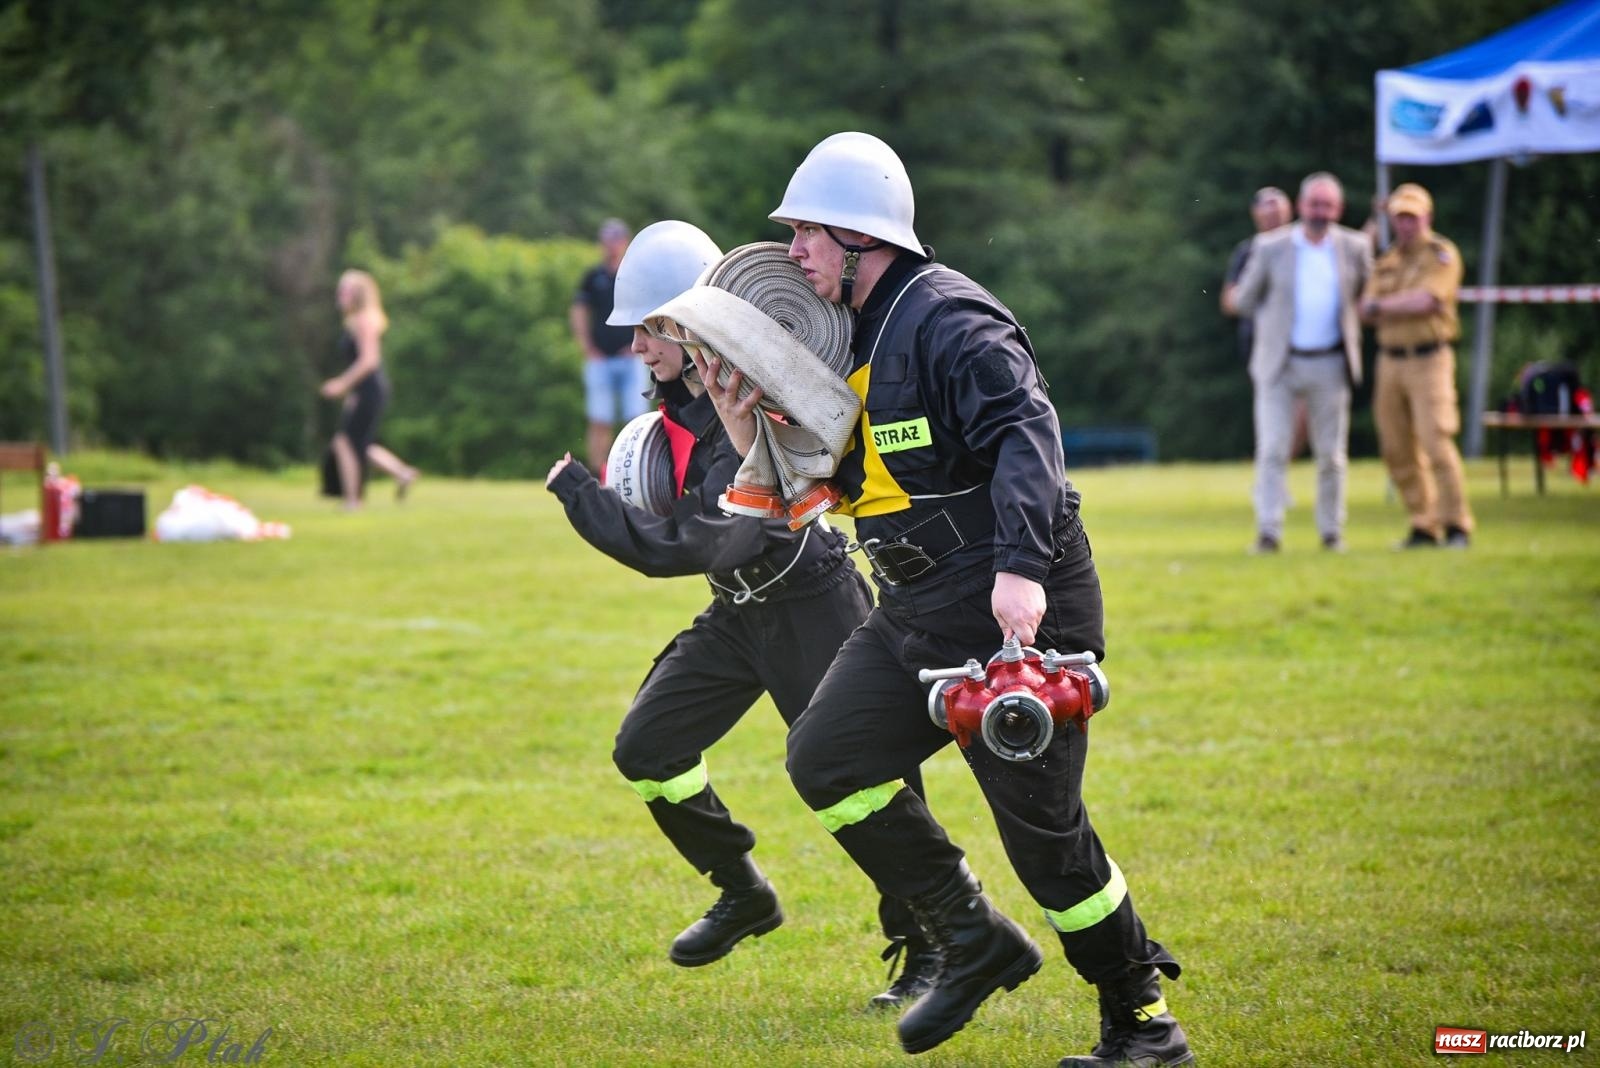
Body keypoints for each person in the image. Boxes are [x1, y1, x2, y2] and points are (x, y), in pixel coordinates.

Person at [695, 132, 1193, 1066]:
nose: (793, 251)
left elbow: (1027, 436)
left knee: (1045, 840)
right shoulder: (855, 336)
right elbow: (853, 480)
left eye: (808, 232)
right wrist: (754, 427)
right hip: (917, 606)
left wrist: (1021, 570)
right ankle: (971, 936)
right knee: (825, 759)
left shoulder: (951, 319)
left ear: (860, 239)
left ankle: (1142, 1022)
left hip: (1012, 595)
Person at [545, 220, 936, 1008]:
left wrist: (582, 498)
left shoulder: (749, 404)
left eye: (651, 330)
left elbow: (695, 546)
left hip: (813, 607)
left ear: (696, 328)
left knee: (866, 786)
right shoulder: (675, 413)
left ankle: (932, 942)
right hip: (739, 615)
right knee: (647, 749)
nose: (638, 350)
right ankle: (743, 891)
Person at [1225, 172, 1373, 554]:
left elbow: (1369, 294)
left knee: (1331, 455)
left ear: (1337, 209)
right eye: (1314, 204)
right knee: (1272, 449)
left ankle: (1331, 533)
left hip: (1331, 362)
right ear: (1301, 205)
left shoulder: (1354, 247)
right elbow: (1243, 301)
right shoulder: (1271, 246)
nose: (1320, 212)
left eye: (1327, 205)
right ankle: (1269, 532)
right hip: (1279, 363)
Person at [1360, 182, 1473, 549]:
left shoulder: (1441, 254)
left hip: (1429, 359)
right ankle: (1423, 523)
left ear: (1427, 216)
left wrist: (1384, 307)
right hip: (1390, 361)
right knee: (1396, 447)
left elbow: (1428, 300)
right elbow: (1365, 308)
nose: (1405, 225)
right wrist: (1390, 306)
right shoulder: (1388, 259)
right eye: (1399, 218)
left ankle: (1456, 524)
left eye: (1411, 217)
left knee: (1436, 441)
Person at [319, 269, 419, 508]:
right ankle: (401, 474)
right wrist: (352, 393)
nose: (340, 294)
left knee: (345, 443)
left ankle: (353, 501)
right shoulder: (357, 320)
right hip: (363, 391)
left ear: (359, 294)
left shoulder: (364, 319)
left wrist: (342, 384)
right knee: (358, 444)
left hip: (370, 389)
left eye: (346, 290)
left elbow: (369, 360)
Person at [571, 218, 651, 472]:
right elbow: (579, 310)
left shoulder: (636, 276)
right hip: (601, 359)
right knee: (599, 419)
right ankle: (598, 474)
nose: (612, 246)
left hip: (632, 357)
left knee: (635, 420)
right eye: (608, 240)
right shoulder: (593, 277)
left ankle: (635, 471)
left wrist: (642, 344)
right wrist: (586, 346)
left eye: (616, 240)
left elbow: (649, 311)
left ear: (625, 242)